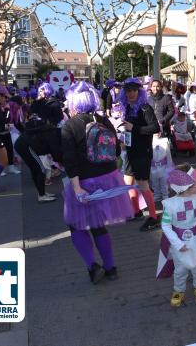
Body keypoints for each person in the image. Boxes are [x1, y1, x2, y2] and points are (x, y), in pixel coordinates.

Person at [61, 81, 136, 283]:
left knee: (76, 226)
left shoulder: (70, 125)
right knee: (98, 226)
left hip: (84, 182)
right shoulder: (103, 120)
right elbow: (117, 151)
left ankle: (92, 267)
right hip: (108, 179)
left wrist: (76, 188)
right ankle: (111, 268)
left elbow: (69, 161)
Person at [158, 164, 196, 307]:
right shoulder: (171, 205)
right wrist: (178, 244)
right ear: (185, 187)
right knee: (180, 269)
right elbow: (166, 225)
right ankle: (179, 290)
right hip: (180, 242)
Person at [121, 78, 161, 231]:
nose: (131, 94)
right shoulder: (128, 107)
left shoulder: (145, 108)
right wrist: (124, 139)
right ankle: (136, 211)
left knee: (142, 184)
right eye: (128, 91)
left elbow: (155, 128)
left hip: (143, 152)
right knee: (127, 183)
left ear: (139, 92)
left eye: (134, 91)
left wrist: (135, 128)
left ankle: (153, 217)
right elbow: (129, 129)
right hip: (131, 151)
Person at [14, 115, 62, 203]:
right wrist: (61, 162)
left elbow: (53, 152)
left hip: (23, 144)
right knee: (40, 170)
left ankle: (42, 193)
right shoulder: (54, 135)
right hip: (25, 146)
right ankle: (42, 195)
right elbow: (55, 152)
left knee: (36, 170)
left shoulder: (52, 131)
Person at [150, 135, 174, 202]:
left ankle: (165, 195)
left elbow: (168, 154)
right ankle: (157, 194)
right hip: (153, 166)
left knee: (164, 182)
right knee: (154, 182)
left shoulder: (164, 141)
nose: (157, 133)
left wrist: (169, 166)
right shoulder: (148, 141)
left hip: (163, 166)